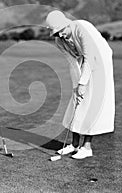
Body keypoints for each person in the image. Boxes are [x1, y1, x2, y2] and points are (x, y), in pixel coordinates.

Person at [45, 10, 115, 159]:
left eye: (62, 31)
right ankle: (75, 144)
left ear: (67, 24)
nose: (61, 35)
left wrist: (83, 84)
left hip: (100, 61)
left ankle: (87, 147)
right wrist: (76, 87)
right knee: (77, 101)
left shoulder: (82, 28)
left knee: (91, 103)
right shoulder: (60, 41)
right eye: (56, 33)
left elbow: (91, 58)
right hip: (85, 61)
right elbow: (72, 63)